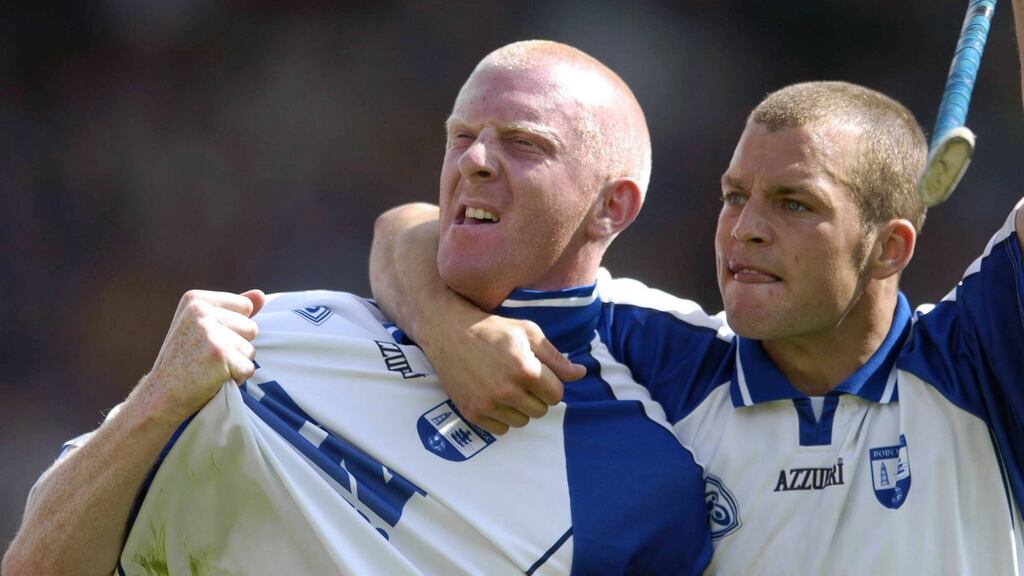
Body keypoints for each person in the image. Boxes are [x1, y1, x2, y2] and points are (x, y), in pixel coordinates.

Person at [2, 41, 714, 575]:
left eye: (525, 144)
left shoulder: (654, 485)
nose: (473, 161)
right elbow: (36, 565)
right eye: (460, 138)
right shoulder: (268, 337)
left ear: (612, 206)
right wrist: (157, 400)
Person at [367, 4, 1024, 573]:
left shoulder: (978, 362)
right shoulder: (659, 354)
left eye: (794, 204)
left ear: (889, 248)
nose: (746, 230)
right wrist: (446, 325)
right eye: (734, 197)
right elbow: (411, 228)